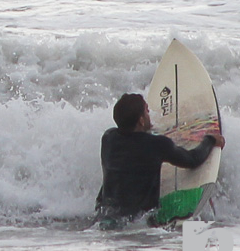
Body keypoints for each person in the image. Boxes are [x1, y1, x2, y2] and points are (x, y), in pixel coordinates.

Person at [96, 93, 224, 222]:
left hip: (105, 215)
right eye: (146, 111)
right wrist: (210, 140)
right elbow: (192, 160)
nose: (149, 114)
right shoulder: (156, 145)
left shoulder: (108, 138)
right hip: (140, 220)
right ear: (141, 121)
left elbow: (133, 148)